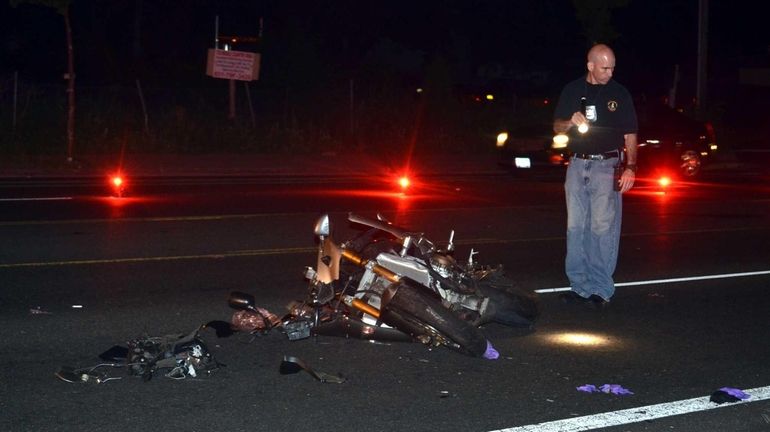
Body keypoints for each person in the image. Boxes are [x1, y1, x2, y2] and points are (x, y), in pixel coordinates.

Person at [552, 43, 638, 308]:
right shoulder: (573, 90)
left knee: (602, 228)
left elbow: (630, 133)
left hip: (606, 165)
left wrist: (631, 166)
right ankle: (579, 286)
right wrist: (570, 122)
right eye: (605, 67)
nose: (610, 72)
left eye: (612, 67)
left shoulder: (619, 93)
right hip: (577, 165)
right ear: (590, 66)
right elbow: (557, 127)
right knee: (575, 227)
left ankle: (601, 289)